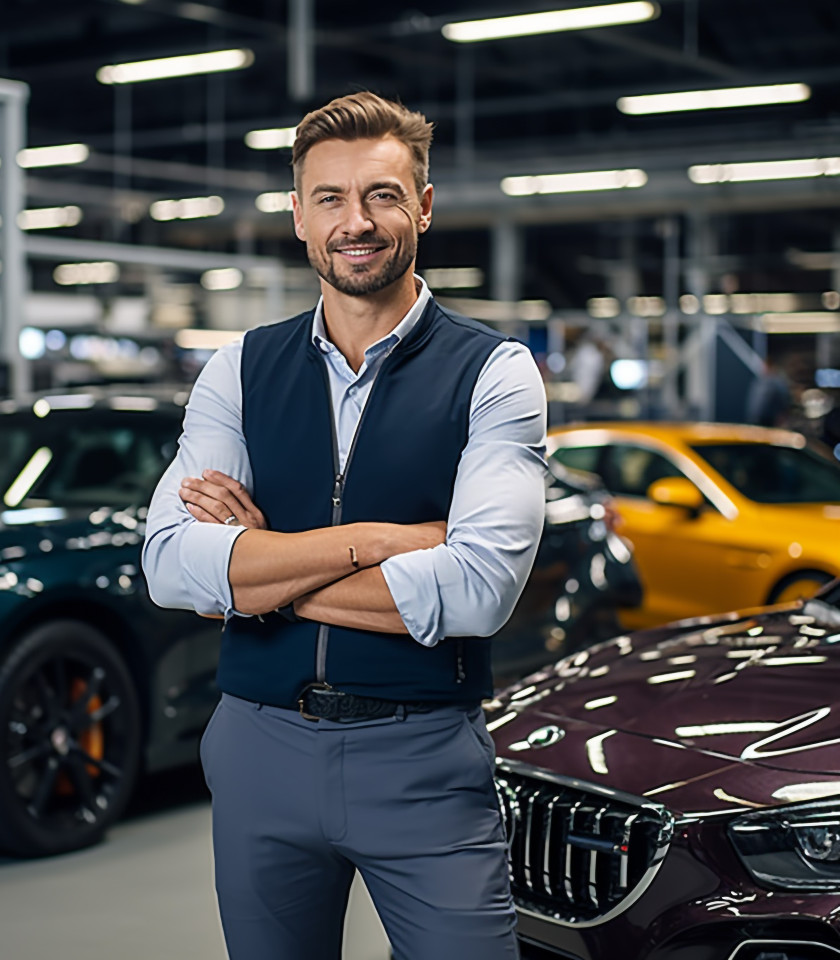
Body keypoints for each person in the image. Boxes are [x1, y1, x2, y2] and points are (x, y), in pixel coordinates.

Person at [142, 91, 547, 960]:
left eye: (382, 195)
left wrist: (254, 580)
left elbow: (477, 592)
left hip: (424, 757)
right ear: (298, 216)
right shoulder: (239, 369)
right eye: (329, 198)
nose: (355, 222)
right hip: (258, 749)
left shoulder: (495, 372)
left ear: (424, 207)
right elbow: (174, 568)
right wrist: (380, 540)